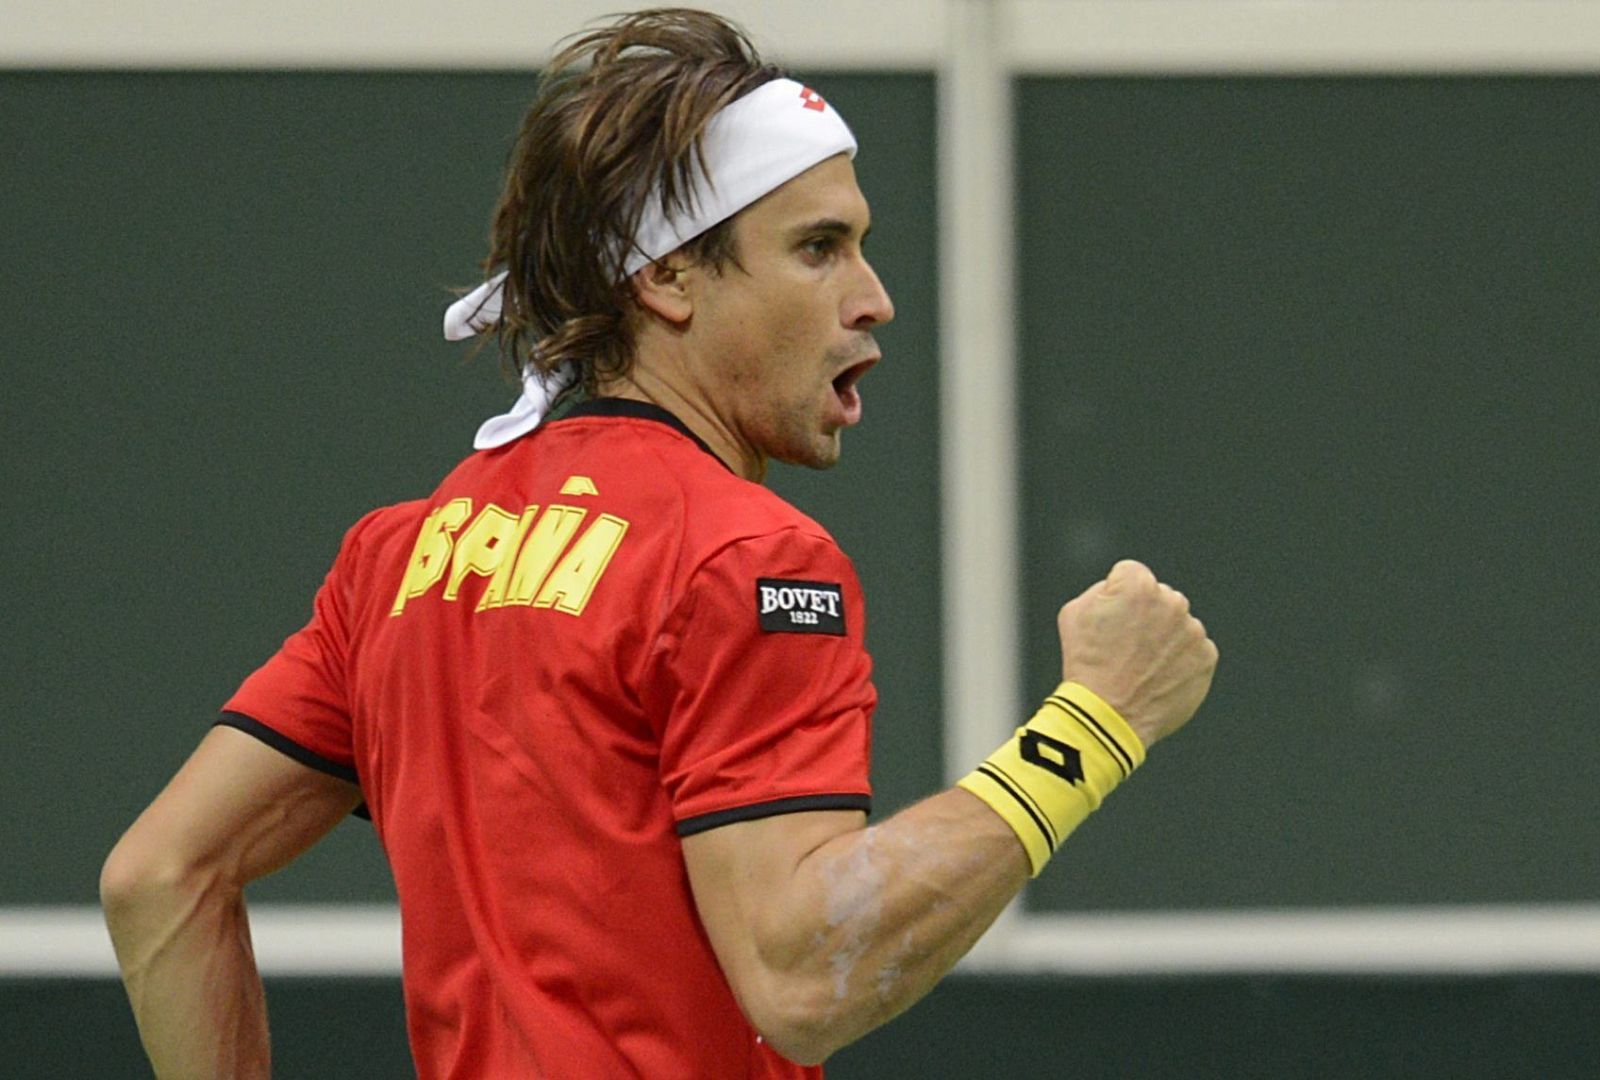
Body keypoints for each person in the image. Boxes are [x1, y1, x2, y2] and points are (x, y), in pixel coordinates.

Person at [99, 8, 1218, 1078]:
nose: (873, 297)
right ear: (669, 276)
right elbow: (803, 978)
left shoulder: (400, 556)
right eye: (818, 247)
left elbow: (158, 877)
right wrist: (1095, 723)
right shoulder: (748, 559)